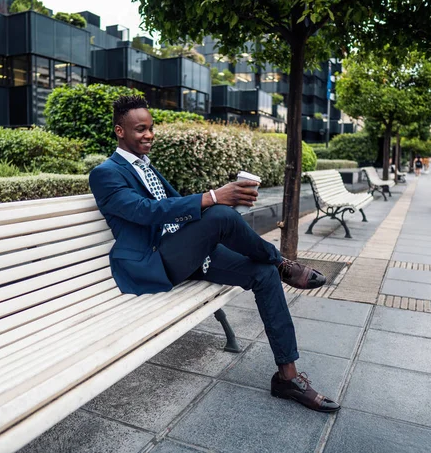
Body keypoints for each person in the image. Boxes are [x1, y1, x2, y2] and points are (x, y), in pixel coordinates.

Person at [89, 95, 339, 413]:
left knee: (261, 273)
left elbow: (178, 212)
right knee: (221, 216)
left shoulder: (146, 168)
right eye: (140, 129)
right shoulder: (105, 173)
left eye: (151, 128)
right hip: (153, 263)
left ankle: (287, 378)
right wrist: (212, 198)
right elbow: (145, 211)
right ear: (119, 131)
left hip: (187, 255)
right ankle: (282, 262)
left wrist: (218, 203)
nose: (149, 135)